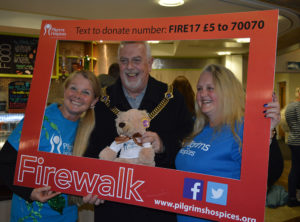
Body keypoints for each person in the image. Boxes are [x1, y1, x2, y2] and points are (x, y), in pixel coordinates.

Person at [84, 41, 194, 222]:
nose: (129, 67)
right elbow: (89, 149)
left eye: (136, 60)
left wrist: (164, 143)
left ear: (150, 64)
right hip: (112, 209)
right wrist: (89, 185)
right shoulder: (101, 103)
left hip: (158, 209)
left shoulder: (173, 99)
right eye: (124, 61)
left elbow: (190, 143)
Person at [175, 64, 280, 222]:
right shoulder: (197, 126)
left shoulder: (242, 128)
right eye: (199, 88)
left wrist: (268, 133)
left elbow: (268, 174)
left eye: (210, 88)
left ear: (227, 92)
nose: (202, 94)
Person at [0, 70, 101, 222]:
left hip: (68, 218)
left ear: (94, 101)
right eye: (73, 88)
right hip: (28, 218)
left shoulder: (90, 132)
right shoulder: (39, 120)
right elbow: (4, 163)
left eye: (86, 92)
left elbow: (90, 180)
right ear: (65, 90)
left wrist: (95, 194)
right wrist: (30, 192)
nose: (77, 95)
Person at [285, 87, 300, 207]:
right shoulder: (298, 106)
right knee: (295, 169)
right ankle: (292, 198)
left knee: (295, 168)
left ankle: (293, 195)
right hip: (299, 142)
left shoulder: (289, 106)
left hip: (292, 140)